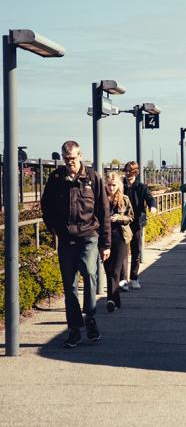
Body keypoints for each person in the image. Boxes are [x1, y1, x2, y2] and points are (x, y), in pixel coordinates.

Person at [41, 140, 111, 348]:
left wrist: (106, 244)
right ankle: (74, 328)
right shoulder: (56, 179)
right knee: (69, 285)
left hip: (89, 236)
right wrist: (53, 228)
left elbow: (104, 211)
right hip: (66, 239)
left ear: (81, 156)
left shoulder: (92, 178)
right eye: (66, 158)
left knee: (89, 274)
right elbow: (46, 206)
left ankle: (90, 317)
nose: (70, 162)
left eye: (73, 158)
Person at [121, 161, 157, 290]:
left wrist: (153, 206)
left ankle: (134, 278)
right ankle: (123, 280)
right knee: (122, 252)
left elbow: (149, 198)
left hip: (136, 222)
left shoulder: (141, 187)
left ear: (135, 172)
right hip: (122, 222)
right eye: (126, 171)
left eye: (130, 171)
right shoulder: (121, 185)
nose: (127, 174)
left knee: (136, 251)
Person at [103, 172, 134, 312]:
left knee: (115, 270)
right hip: (104, 237)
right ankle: (116, 300)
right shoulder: (100, 198)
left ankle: (110, 299)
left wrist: (119, 218)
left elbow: (130, 217)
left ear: (118, 185)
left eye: (114, 185)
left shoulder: (124, 199)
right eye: (109, 185)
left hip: (121, 237)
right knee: (108, 270)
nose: (111, 188)